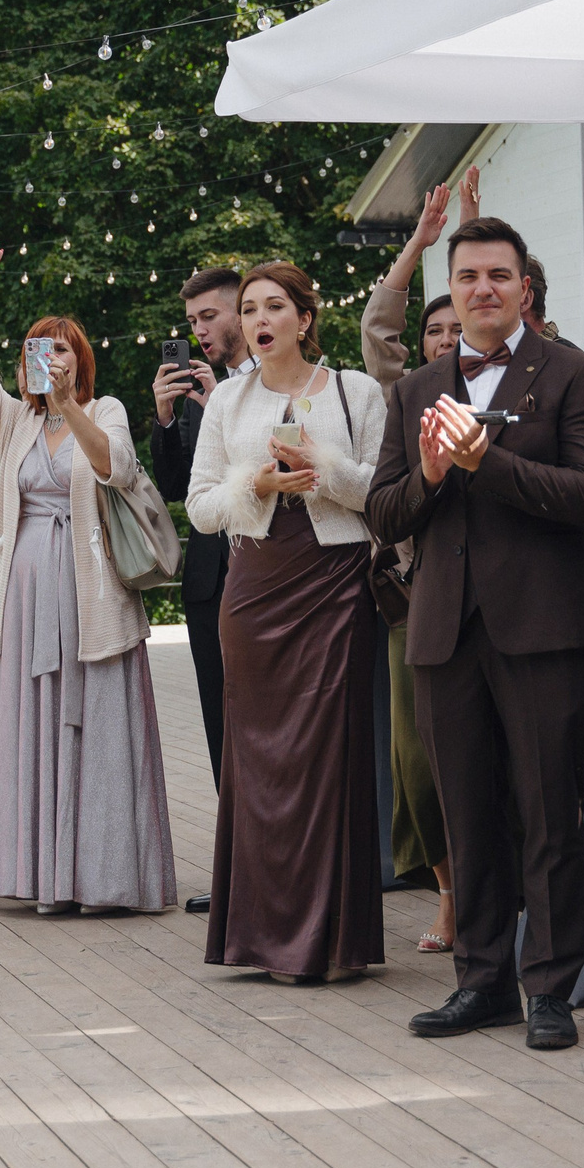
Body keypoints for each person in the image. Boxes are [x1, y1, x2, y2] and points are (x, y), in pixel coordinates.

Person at [365, 216, 584, 1052]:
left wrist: (485, 463)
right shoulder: (416, 387)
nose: (483, 290)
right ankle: (482, 981)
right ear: (456, 285)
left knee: (548, 815)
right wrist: (435, 474)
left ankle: (550, 989)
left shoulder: (574, 374)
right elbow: (384, 510)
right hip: (443, 630)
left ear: (524, 290)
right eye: (469, 276)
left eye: (498, 277)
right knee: (465, 814)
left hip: (544, 628)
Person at [0, 244, 177, 914]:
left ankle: (105, 878)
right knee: (29, 724)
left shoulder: (103, 409)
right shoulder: (14, 419)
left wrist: (67, 401)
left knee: (98, 725)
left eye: (61, 350)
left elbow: (116, 466)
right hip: (26, 587)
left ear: (80, 360)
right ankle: (41, 875)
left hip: (91, 588)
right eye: (37, 351)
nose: (48, 359)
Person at [186, 259, 389, 982]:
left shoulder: (356, 391)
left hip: (335, 585)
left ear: (306, 317)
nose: (258, 319)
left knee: (330, 759)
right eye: (248, 309)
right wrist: (259, 483)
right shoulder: (227, 405)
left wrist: (322, 467)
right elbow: (201, 505)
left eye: (274, 306)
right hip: (255, 586)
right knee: (258, 762)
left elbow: (384, 491)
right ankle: (261, 938)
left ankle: (331, 942)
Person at [362, 185, 465, 955]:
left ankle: (492, 896)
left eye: (459, 326)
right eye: (435, 329)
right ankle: (449, 890)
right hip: (413, 597)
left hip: (496, 595)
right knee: (417, 759)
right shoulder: (407, 395)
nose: (445, 337)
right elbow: (376, 326)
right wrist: (422, 243)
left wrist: (473, 240)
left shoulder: (527, 383)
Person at [148, 264, 245, 913]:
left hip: (270, 575)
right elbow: (178, 487)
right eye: (192, 323)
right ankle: (236, 867)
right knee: (219, 723)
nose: (200, 331)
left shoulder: (271, 381)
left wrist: (221, 413)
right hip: (209, 580)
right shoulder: (188, 396)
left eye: (210, 317)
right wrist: (164, 418)